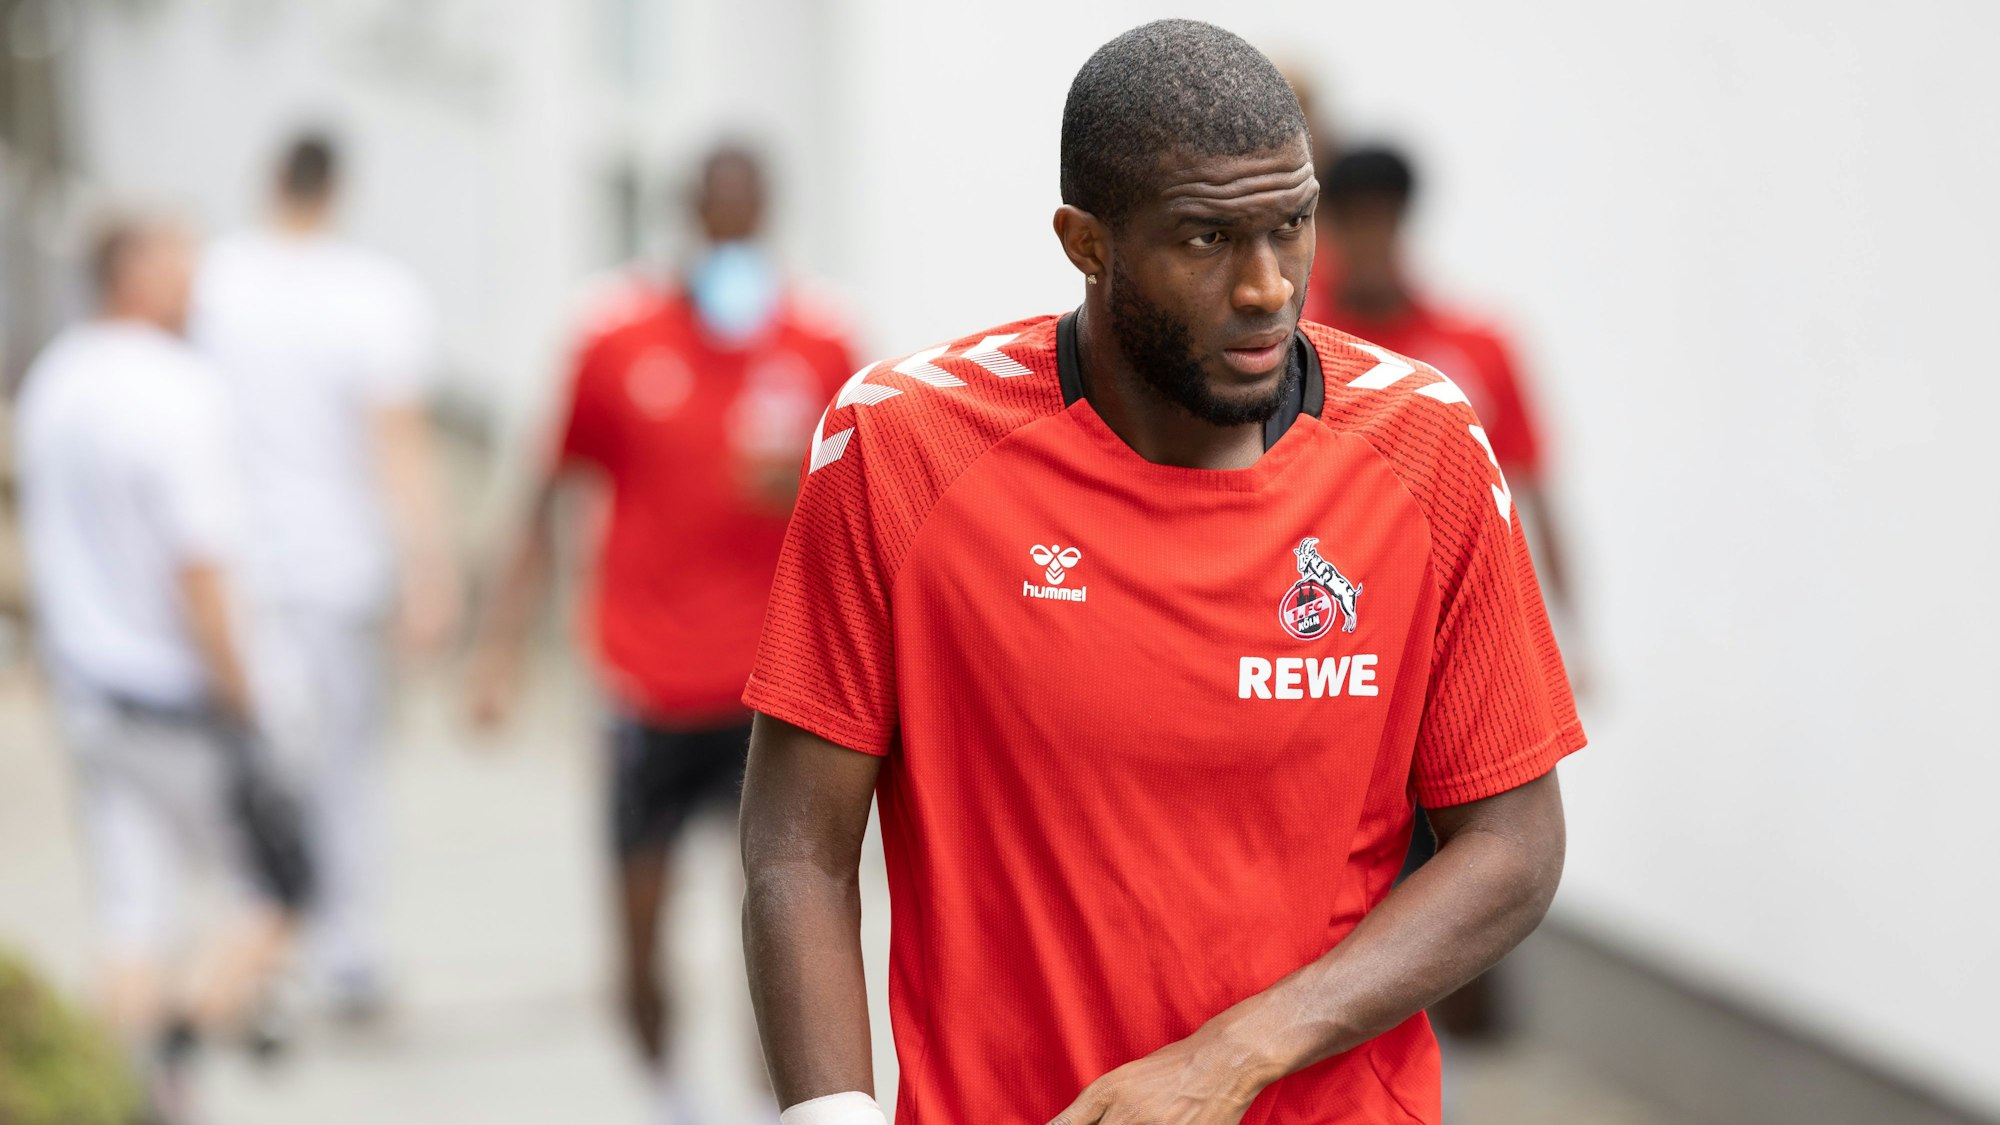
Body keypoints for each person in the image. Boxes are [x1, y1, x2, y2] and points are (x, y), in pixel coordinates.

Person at [739, 20, 1583, 1125]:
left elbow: (1513, 846)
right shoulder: (903, 447)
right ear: (1083, 242)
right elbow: (797, 843)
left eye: (1293, 224)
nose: (1266, 287)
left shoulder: (1421, 448)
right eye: (1205, 240)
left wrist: (1235, 1052)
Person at [467, 143, 854, 1122]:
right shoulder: (618, 343)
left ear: (767, 217)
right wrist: (498, 651)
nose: (731, 233)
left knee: (781, 923)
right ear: (691, 217)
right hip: (644, 688)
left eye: (747, 214)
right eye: (714, 214)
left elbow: (866, 509)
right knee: (636, 950)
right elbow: (547, 489)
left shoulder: (816, 347)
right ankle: (673, 1098)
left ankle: (775, 1105)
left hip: (773, 697)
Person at [15, 215, 296, 1121]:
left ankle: (123, 1089)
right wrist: (246, 693)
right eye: (181, 265)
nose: (196, 285)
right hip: (176, 700)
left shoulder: (55, 380)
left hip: (90, 692)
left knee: (134, 916)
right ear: (132, 273)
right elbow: (200, 566)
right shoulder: (175, 390)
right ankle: (172, 1047)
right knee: (281, 888)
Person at [190, 132, 458, 1019]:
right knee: (346, 766)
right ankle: (346, 951)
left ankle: (263, 938)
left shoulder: (215, 281)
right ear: (338, 189)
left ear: (270, 178)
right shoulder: (373, 294)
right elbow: (399, 443)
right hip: (338, 567)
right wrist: (429, 570)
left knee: (256, 759)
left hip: (231, 566)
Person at [1308, 144, 1574, 618]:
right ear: (1330, 228)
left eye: (1381, 218)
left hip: (1463, 605)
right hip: (1341, 612)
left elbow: (1530, 491)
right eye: (1354, 221)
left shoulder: (1478, 351)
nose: (1369, 238)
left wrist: (1570, 635)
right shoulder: (1295, 353)